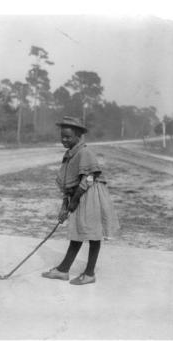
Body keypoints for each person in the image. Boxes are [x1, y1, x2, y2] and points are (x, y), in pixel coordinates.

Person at [42, 116, 119, 285]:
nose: (64, 139)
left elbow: (90, 178)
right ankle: (63, 270)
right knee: (77, 231)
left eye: (68, 137)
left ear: (78, 136)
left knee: (93, 233)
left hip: (91, 194)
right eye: (62, 136)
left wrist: (74, 201)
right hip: (78, 193)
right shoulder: (69, 154)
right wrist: (64, 206)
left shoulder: (85, 152)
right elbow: (67, 184)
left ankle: (90, 273)